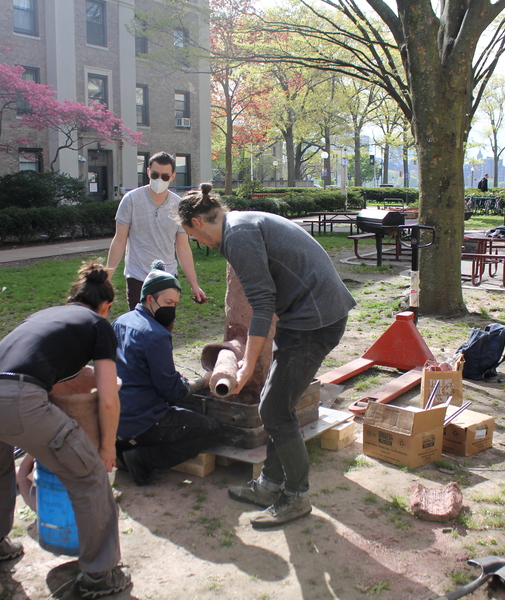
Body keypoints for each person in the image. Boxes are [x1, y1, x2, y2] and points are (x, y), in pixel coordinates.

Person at [178, 183, 355, 529]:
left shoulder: (238, 237)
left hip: (315, 320)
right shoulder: (239, 224)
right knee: (276, 406)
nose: (196, 243)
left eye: (190, 235)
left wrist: (245, 364)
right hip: (306, 316)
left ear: (197, 223)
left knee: (273, 408)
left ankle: (296, 495)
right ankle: (270, 484)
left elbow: (262, 305)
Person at [0, 262, 130, 599]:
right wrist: (107, 447)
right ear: (106, 307)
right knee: (89, 474)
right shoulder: (99, 325)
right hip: (15, 400)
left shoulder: (47, 315)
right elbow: (108, 399)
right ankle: (100, 576)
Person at [111, 261, 221, 486]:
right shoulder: (155, 335)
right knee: (212, 430)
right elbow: (173, 391)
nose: (172, 309)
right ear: (149, 298)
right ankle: (141, 458)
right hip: (142, 419)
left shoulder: (120, 322)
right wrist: (202, 381)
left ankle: (121, 449)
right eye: (168, 302)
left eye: (175, 304)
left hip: (115, 417)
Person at [106, 151, 206, 309]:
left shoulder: (179, 205)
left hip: (167, 278)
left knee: (164, 330)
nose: (159, 180)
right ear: (148, 172)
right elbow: (119, 240)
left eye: (165, 177)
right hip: (137, 277)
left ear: (173, 176)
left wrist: (194, 285)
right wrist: (107, 277)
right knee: (140, 330)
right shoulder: (131, 200)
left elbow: (183, 248)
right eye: (155, 175)